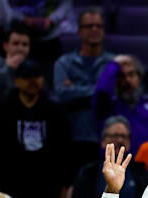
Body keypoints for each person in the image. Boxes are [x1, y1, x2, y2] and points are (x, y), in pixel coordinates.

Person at [0, 59, 72, 198]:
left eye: (37, 76)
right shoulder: (2, 111)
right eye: (27, 76)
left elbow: (65, 151)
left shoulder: (55, 112)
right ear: (16, 80)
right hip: (11, 186)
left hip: (46, 188)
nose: (33, 81)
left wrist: (65, 186)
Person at [53, 8, 114, 167]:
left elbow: (114, 96)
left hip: (106, 134)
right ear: (79, 31)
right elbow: (62, 94)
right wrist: (99, 90)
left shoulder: (114, 63)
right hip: (72, 135)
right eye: (89, 26)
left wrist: (76, 89)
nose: (94, 29)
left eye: (98, 26)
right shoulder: (63, 63)